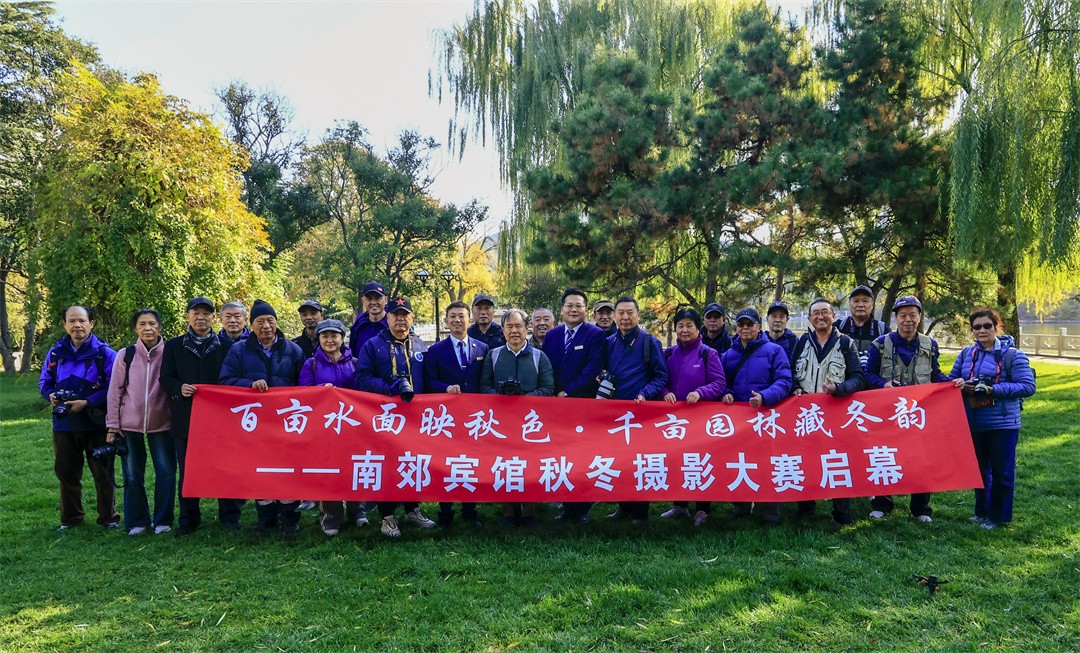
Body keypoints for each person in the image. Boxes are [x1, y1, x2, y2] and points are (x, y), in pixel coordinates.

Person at [219, 299, 307, 534]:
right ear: (252, 325)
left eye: (270, 320)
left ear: (276, 322)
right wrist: (249, 384)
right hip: (255, 422)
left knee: (287, 467)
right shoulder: (239, 350)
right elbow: (225, 380)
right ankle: (265, 516)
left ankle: (290, 517)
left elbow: (305, 384)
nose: (266, 326)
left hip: (287, 420)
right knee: (259, 467)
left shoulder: (293, 350)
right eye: (260, 321)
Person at [355, 296, 436, 537]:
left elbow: (429, 379)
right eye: (396, 315)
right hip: (385, 416)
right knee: (388, 464)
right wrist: (388, 388)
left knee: (413, 461)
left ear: (412, 318)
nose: (401, 319)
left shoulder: (420, 345)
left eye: (405, 315)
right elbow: (361, 378)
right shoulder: (373, 345)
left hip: (415, 417)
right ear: (387, 317)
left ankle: (412, 509)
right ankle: (387, 516)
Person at [948, 308, 1036, 529]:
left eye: (987, 326)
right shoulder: (966, 354)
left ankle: (998, 517)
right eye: (977, 327)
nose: (982, 330)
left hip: (1003, 423)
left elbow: (1027, 386)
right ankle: (981, 512)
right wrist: (960, 385)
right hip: (974, 422)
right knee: (979, 471)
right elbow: (950, 381)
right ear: (972, 330)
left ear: (997, 327)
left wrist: (993, 390)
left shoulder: (1012, 355)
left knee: (1002, 472)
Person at [161, 297, 242, 536]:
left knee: (225, 468)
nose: (201, 317)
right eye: (196, 313)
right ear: (188, 316)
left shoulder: (226, 346)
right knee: (188, 471)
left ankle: (230, 517)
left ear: (213, 318)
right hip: (186, 418)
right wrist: (179, 388)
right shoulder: (174, 346)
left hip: (220, 420)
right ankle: (188, 520)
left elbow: (232, 379)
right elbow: (165, 378)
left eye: (206, 313)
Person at [864, 295, 949, 523]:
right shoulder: (880, 344)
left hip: (918, 413)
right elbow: (868, 374)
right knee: (884, 456)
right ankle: (881, 503)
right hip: (887, 413)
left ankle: (920, 508)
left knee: (921, 459)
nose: (908, 320)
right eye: (903, 316)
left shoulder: (929, 344)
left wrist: (952, 384)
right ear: (896, 318)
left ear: (920, 317)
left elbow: (935, 374)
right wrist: (884, 384)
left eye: (913, 315)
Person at [40, 305, 119, 531]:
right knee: (66, 473)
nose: (77, 325)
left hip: (96, 422)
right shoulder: (55, 353)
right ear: (64, 325)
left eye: (82, 321)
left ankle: (108, 518)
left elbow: (115, 386)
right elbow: (44, 381)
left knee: (103, 473)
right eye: (72, 321)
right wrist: (50, 395)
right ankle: (71, 519)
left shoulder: (105, 353)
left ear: (91, 323)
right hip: (64, 424)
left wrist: (88, 401)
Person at [789, 298, 866, 525]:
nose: (820, 316)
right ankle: (806, 509)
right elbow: (790, 372)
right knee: (805, 460)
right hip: (806, 416)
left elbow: (859, 378)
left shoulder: (845, 343)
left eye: (825, 312)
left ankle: (841, 513)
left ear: (833, 315)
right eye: (815, 313)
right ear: (810, 318)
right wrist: (795, 387)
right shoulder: (802, 341)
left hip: (835, 414)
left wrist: (839, 389)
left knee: (837, 462)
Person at [481, 308, 554, 526]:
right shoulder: (493, 355)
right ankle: (508, 512)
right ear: (503, 330)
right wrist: (501, 398)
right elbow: (484, 386)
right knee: (505, 464)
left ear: (526, 328)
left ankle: (529, 511)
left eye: (518, 326)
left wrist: (524, 399)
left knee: (529, 464)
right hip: (501, 421)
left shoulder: (539, 356)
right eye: (509, 327)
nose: (514, 331)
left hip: (531, 422)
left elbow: (548, 388)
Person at [105, 309, 175, 535]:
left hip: (162, 421)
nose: (147, 328)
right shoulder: (126, 354)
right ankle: (137, 521)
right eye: (142, 324)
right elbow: (114, 391)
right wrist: (113, 424)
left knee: (166, 472)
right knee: (132, 474)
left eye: (152, 323)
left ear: (159, 327)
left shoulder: (170, 352)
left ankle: (163, 520)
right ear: (136, 328)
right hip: (129, 424)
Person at [721, 307, 792, 525]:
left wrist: (765, 396)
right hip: (739, 421)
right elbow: (722, 383)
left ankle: (770, 511)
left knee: (768, 464)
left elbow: (785, 381)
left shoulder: (774, 351)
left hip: (766, 418)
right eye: (741, 324)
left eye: (749, 324)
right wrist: (726, 394)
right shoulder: (728, 355)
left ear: (758, 327)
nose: (745, 328)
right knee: (741, 461)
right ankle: (742, 505)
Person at [297, 318, 368, 536]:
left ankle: (357, 511)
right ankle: (331, 516)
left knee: (355, 466)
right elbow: (303, 391)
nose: (330, 340)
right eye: (325, 336)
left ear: (342, 338)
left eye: (334, 336)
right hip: (325, 426)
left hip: (353, 425)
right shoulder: (311, 364)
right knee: (329, 469)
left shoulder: (355, 362)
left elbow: (364, 388)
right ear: (318, 339)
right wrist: (321, 389)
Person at [543, 288, 608, 524]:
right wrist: (551, 393)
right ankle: (566, 505)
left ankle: (581, 509)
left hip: (583, 405)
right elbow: (546, 367)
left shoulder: (596, 335)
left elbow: (592, 369)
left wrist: (569, 392)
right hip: (556, 407)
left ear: (586, 310)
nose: (573, 309)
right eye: (569, 305)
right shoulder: (552, 336)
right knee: (562, 456)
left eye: (578, 306)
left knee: (582, 457)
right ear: (562, 310)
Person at [602, 296, 669, 524]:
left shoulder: (650, 342)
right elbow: (603, 370)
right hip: (614, 414)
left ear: (638, 315)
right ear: (614, 316)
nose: (625, 317)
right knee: (619, 462)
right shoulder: (609, 342)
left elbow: (661, 376)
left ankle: (640, 512)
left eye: (630, 312)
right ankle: (623, 506)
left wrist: (645, 393)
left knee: (639, 462)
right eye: (620, 313)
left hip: (640, 413)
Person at [658, 308, 727, 527]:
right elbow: (659, 379)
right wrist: (664, 392)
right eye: (680, 326)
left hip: (700, 420)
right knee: (677, 461)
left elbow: (719, 383)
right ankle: (680, 505)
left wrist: (700, 393)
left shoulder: (708, 353)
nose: (684, 330)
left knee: (699, 462)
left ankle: (703, 509)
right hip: (674, 421)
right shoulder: (668, 354)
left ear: (699, 328)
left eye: (689, 325)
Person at [423, 301, 489, 528]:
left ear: (469, 320)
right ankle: (445, 511)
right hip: (447, 418)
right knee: (446, 463)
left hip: (474, 418)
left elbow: (485, 380)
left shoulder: (482, 348)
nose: (457, 320)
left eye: (461, 316)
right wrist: (446, 388)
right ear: (446, 321)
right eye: (452, 316)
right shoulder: (436, 350)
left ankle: (470, 510)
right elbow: (429, 381)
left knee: (470, 462)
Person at [834, 285, 889, 367]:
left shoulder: (882, 329)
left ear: (872, 305)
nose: (860, 305)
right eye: (856, 301)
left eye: (865, 301)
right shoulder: (838, 327)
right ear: (850, 304)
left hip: (873, 374)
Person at [349, 281, 389, 358]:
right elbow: (351, 354)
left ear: (386, 300)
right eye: (369, 299)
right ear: (363, 301)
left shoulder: (393, 324)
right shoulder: (358, 325)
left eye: (378, 298)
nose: (373, 302)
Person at [765, 301, 798, 366]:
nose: (778, 320)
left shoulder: (794, 342)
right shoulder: (761, 341)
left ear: (787, 319)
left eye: (781, 316)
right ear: (767, 319)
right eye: (774, 316)